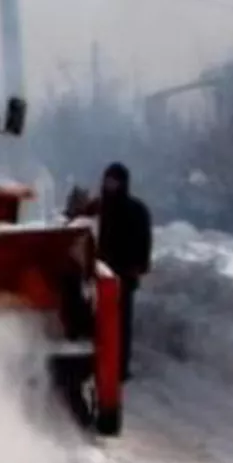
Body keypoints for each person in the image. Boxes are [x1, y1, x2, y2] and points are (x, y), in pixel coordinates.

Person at [64, 162, 153, 381]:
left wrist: (139, 265)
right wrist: (74, 209)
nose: (110, 185)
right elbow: (79, 216)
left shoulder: (135, 210)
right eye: (107, 181)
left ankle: (120, 368)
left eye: (114, 181)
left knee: (121, 323)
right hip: (104, 271)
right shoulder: (103, 206)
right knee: (102, 319)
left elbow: (145, 241)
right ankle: (102, 362)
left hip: (125, 272)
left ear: (123, 183)